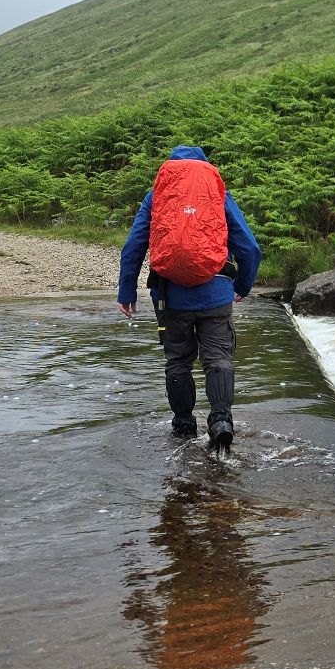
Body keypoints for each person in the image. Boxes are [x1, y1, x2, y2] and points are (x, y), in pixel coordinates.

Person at [118, 146, 262, 453]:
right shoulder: (216, 193)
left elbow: (133, 247)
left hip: (171, 298)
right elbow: (249, 247)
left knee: (178, 361)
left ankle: (183, 426)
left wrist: (127, 293)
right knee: (218, 358)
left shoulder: (157, 195)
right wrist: (243, 285)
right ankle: (221, 420)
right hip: (216, 294)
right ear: (205, 167)